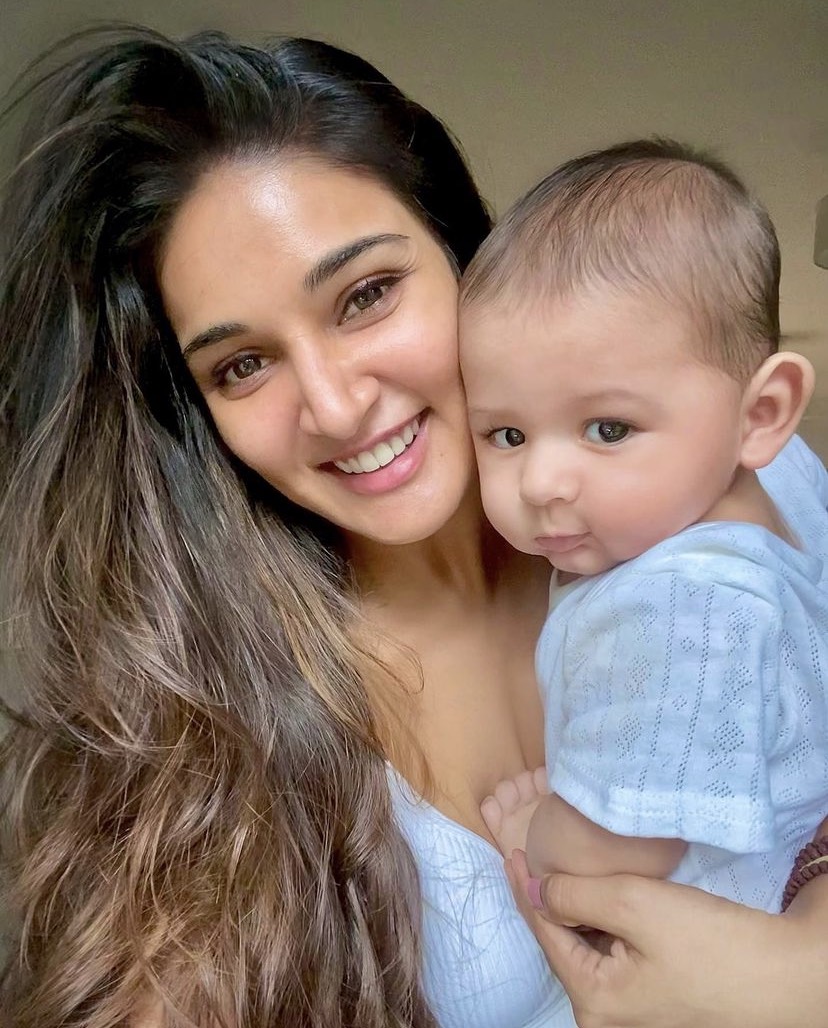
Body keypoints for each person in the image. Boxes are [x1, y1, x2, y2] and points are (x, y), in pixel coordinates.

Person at [0, 26, 826, 1028]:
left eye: (366, 295)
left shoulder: (733, 473)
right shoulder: (212, 742)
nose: (336, 406)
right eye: (242, 365)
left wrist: (805, 967)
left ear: (462, 257)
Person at [459, 140, 828, 913]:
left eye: (609, 429)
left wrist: (538, 829)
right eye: (507, 434)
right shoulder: (778, 475)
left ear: (761, 414)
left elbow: (621, 847)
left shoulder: (679, 605)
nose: (541, 482)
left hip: (721, 928)